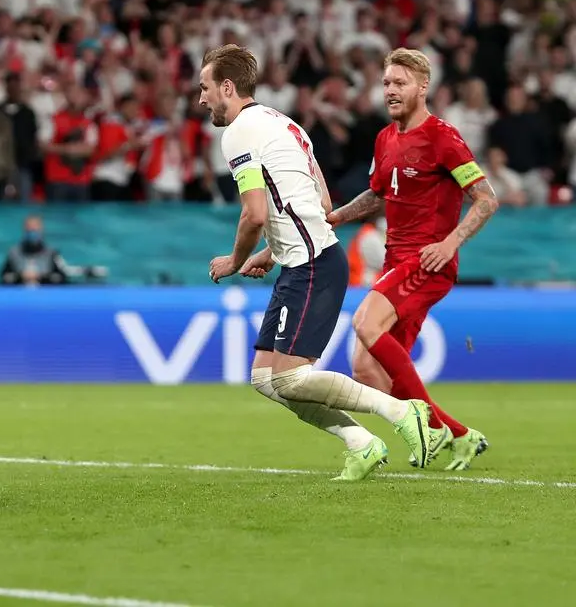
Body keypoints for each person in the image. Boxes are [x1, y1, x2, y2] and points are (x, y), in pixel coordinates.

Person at [199, 44, 436, 482]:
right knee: (265, 379)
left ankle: (401, 410)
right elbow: (320, 203)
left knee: (289, 379)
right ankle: (361, 443)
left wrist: (235, 260)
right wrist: (271, 251)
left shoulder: (237, 134)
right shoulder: (284, 125)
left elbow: (254, 212)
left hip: (312, 265)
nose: (202, 98)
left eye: (206, 87)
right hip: (306, 261)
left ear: (227, 87)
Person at [328, 48, 497, 470]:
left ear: (424, 87)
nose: (390, 90)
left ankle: (431, 430)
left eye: (399, 82)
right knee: (366, 368)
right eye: (386, 83)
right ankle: (459, 435)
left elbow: (485, 200)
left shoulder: (443, 137)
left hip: (428, 261)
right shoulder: (385, 138)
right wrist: (337, 216)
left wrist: (450, 243)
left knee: (365, 323)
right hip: (395, 263)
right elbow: (377, 194)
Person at [0, 215, 67, 285]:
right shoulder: (14, 253)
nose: (32, 231)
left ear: (41, 230)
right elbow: (5, 278)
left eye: (35, 229)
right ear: (24, 230)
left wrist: (41, 276)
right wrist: (20, 276)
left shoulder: (52, 253)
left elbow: (61, 278)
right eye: (29, 228)